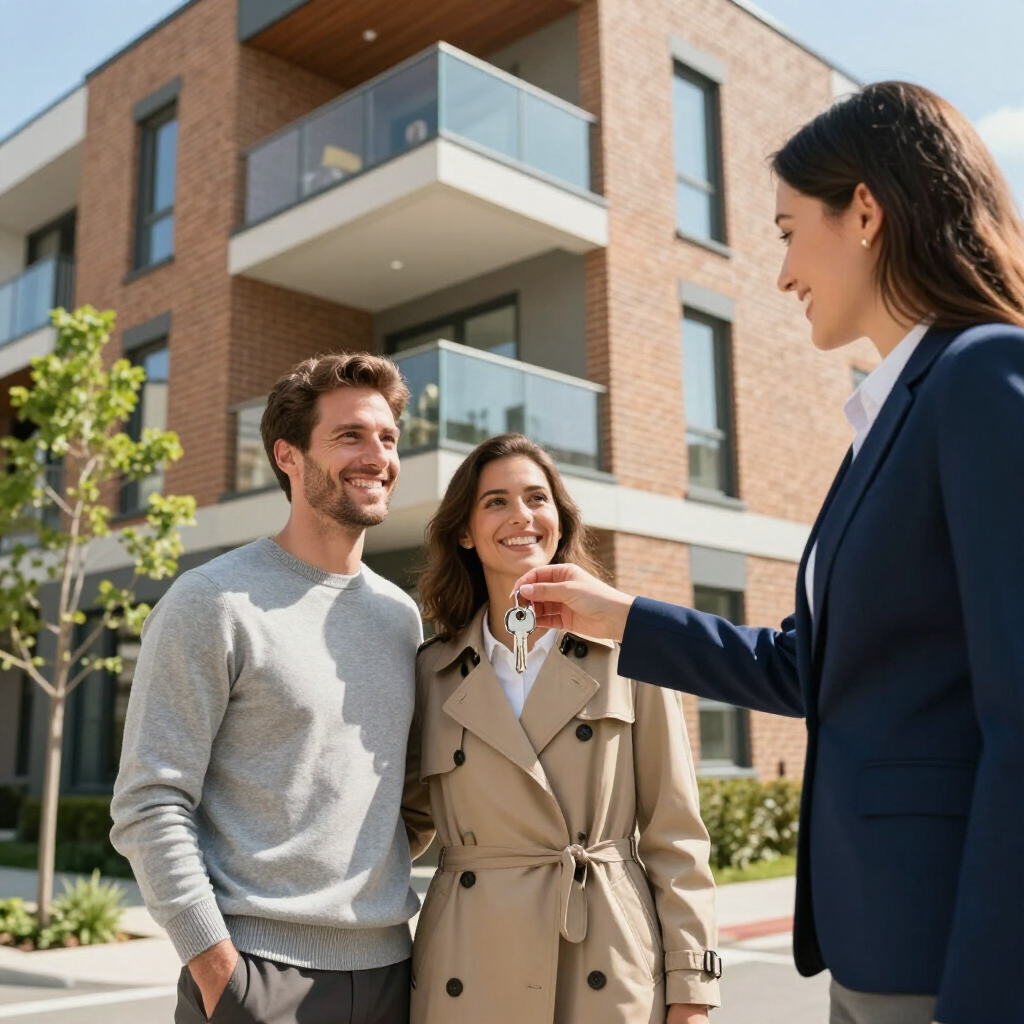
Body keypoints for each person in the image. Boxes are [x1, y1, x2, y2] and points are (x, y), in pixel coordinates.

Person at [515, 82, 1024, 1024]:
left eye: (790, 230)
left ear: (864, 211)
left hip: (950, 952)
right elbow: (812, 669)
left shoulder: (983, 377)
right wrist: (615, 614)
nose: (783, 271)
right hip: (873, 942)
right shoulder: (889, 418)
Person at [111, 352, 432, 1024]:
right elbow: (149, 802)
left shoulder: (400, 617)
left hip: (393, 972)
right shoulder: (213, 602)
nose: (378, 455)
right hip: (258, 980)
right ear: (287, 457)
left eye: (388, 438)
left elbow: (401, 796)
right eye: (350, 436)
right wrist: (219, 973)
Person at [402, 433, 720, 1024]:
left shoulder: (630, 650)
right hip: (468, 960)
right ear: (465, 531)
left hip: (603, 948)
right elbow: (406, 821)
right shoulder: (433, 670)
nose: (521, 516)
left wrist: (693, 988)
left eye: (536, 498)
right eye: (495, 501)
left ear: (559, 519)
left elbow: (675, 834)